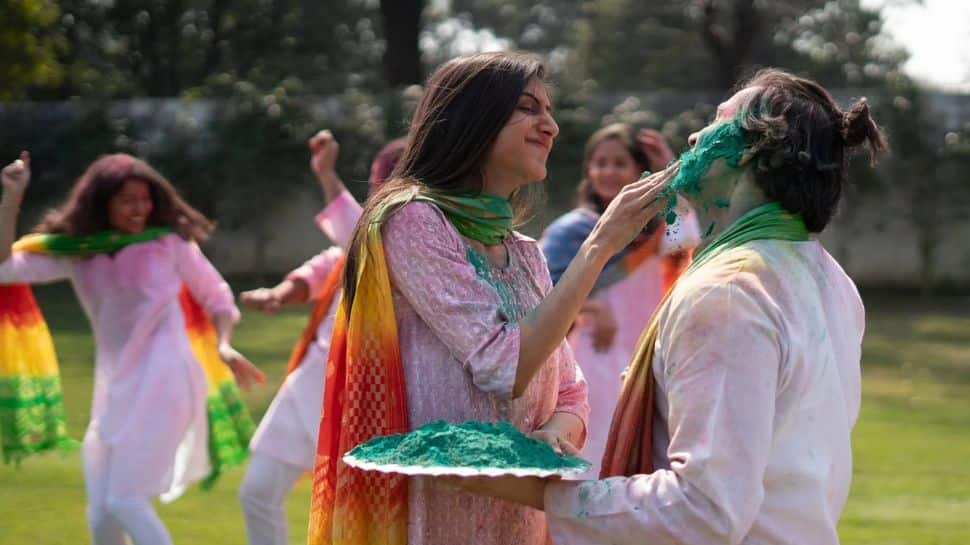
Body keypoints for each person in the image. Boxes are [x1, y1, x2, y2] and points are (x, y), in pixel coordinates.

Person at [446, 68, 886, 545]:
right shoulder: (831, 280)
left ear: (754, 150)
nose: (695, 135)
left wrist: (541, 493)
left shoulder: (731, 293)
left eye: (718, 121)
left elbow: (705, 510)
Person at [306, 51, 677, 545]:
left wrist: (555, 435)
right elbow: (503, 367)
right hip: (433, 520)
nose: (550, 127)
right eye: (528, 108)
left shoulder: (524, 253)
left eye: (549, 111)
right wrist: (600, 244)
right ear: (473, 118)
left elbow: (571, 390)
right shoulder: (413, 221)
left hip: (519, 516)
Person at [0, 152, 265, 545]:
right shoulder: (80, 251)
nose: (140, 209)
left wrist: (224, 345)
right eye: (128, 200)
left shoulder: (168, 244)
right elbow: (5, 269)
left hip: (166, 380)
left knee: (125, 501)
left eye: (145, 199)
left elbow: (218, 298)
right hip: (115, 390)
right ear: (102, 203)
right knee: (101, 516)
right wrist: (11, 197)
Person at [236, 131, 404, 545]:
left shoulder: (405, 248)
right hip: (309, 385)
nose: (379, 198)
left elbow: (357, 235)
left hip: (363, 403)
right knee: (257, 491)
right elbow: (321, 268)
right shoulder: (354, 243)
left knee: (352, 526)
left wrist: (327, 176)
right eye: (379, 186)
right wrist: (279, 293)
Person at [540, 124, 701, 475]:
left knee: (643, 461)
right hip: (592, 358)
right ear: (588, 171)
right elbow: (538, 294)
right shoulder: (571, 231)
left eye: (619, 163)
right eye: (600, 163)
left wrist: (670, 172)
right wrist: (591, 306)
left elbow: (688, 239)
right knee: (594, 458)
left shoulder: (655, 229)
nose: (608, 171)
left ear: (637, 170)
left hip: (646, 356)